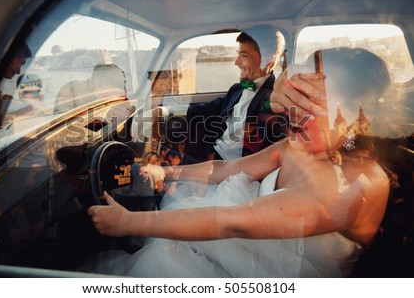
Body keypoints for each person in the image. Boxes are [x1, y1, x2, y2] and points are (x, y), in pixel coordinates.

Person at [85, 60, 390, 277]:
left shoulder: (363, 179)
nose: (291, 111)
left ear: (356, 114)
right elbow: (222, 170)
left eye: (314, 103)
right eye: (295, 97)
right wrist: (164, 172)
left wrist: (128, 223)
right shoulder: (292, 147)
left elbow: (236, 221)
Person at [183, 26, 288, 163]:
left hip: (235, 169)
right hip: (213, 156)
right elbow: (201, 110)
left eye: (244, 56)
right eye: (238, 55)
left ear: (268, 60)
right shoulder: (236, 89)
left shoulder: (276, 100)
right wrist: (165, 110)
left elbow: (265, 153)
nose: (236, 62)